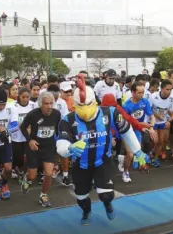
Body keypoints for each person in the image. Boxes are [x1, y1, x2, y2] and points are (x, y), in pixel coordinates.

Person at [56, 74, 150, 225]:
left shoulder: (111, 113)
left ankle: (108, 205)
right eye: (81, 106)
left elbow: (127, 131)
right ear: (74, 105)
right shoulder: (67, 120)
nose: (86, 111)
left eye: (88, 105)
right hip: (81, 164)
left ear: (96, 102)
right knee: (81, 197)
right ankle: (86, 211)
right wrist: (69, 148)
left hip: (102, 161)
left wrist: (138, 151)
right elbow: (61, 143)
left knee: (106, 194)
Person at [20, 92, 61, 207]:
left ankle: (43, 195)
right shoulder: (33, 114)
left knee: (48, 173)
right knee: (32, 176)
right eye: (46, 104)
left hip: (49, 147)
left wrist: (59, 143)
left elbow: (57, 129)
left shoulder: (57, 114)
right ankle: (26, 180)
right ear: (40, 104)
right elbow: (22, 127)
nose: (49, 106)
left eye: (51, 103)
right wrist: (30, 140)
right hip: (34, 147)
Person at [11, 88, 38, 185]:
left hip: (29, 136)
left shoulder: (33, 105)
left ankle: (25, 174)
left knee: (29, 156)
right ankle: (18, 170)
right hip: (17, 136)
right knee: (18, 157)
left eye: (27, 97)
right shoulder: (13, 105)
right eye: (23, 97)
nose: (25, 99)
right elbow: (12, 121)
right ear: (19, 96)